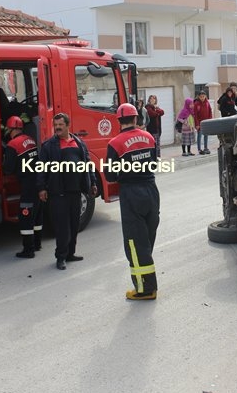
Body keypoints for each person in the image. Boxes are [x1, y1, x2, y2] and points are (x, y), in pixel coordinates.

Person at [106, 103, 160, 300]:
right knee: (146, 238)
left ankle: (145, 289)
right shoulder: (149, 137)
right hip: (151, 190)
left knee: (135, 244)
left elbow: (110, 175)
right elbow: (154, 162)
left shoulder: (115, 143)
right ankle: (147, 282)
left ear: (118, 121)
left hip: (131, 193)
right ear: (136, 118)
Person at [37, 113, 98, 270]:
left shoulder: (79, 143)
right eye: (55, 125)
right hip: (59, 193)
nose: (57, 128)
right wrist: (42, 188)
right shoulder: (49, 146)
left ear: (67, 125)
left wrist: (93, 183)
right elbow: (41, 169)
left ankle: (71, 254)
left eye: (60, 125)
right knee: (62, 227)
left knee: (74, 225)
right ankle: (61, 257)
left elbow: (88, 164)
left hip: (76, 192)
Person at [3, 115, 44, 259]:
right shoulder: (30, 140)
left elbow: (8, 168)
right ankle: (38, 243)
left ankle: (29, 250)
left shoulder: (12, 145)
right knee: (37, 213)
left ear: (10, 129)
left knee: (25, 215)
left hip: (27, 185)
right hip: (38, 182)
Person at [193, 90, 213, 155]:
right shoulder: (196, 104)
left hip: (206, 122)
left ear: (205, 96)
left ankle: (206, 148)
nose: (202, 98)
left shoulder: (207, 103)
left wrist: (210, 120)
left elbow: (210, 111)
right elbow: (195, 115)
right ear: (198, 97)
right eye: (201, 97)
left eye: (203, 96)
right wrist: (197, 124)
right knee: (199, 136)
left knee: (206, 135)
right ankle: (199, 149)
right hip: (200, 123)